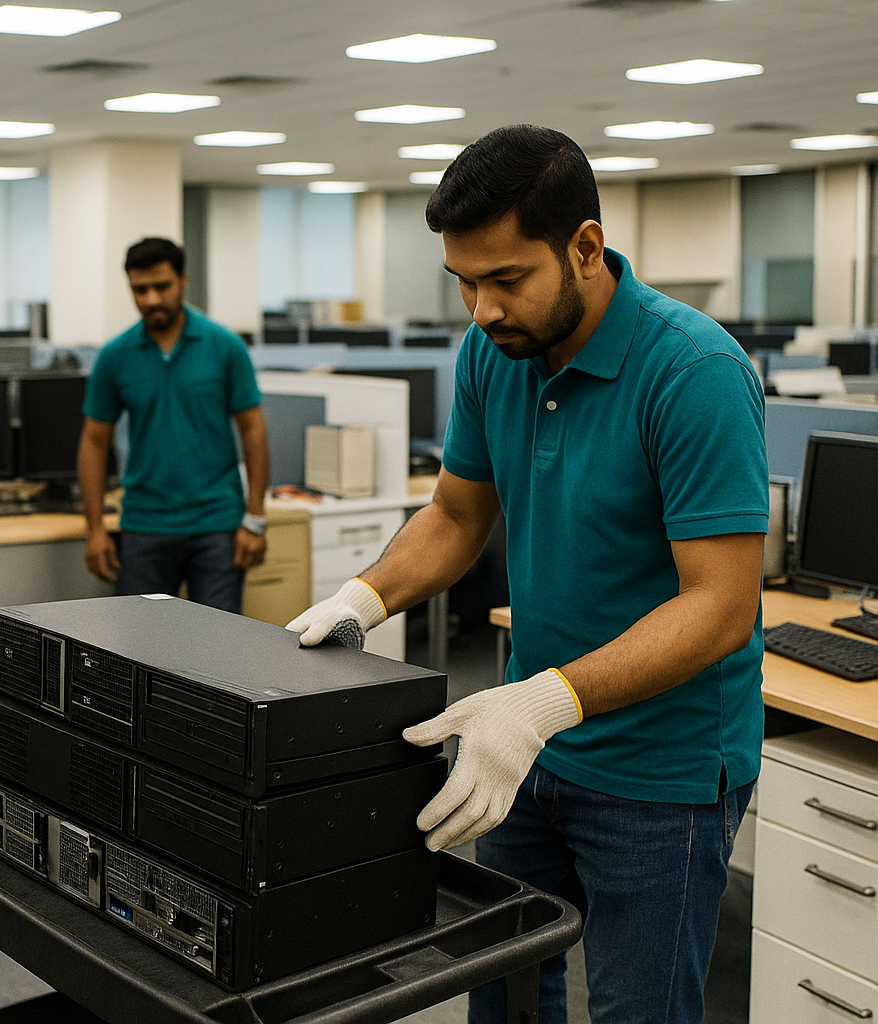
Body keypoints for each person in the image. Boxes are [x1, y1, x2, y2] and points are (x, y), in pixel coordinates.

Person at [287, 125, 766, 1024]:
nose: (482, 310)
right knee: (504, 994)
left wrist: (545, 702)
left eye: (507, 280)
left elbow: (721, 607)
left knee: (638, 1011)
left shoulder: (694, 372)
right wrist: (363, 600)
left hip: (656, 770)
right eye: (464, 283)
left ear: (585, 246)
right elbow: (458, 516)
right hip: (518, 745)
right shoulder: (491, 353)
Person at [77, 236, 270, 613]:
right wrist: (95, 528)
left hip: (217, 526)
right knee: (139, 653)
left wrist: (256, 517)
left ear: (183, 280)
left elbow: (253, 430)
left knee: (216, 654)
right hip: (144, 526)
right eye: (139, 289)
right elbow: (94, 442)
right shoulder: (115, 356)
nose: (151, 299)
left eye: (161, 286)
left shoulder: (224, 346)